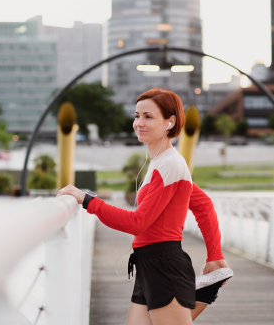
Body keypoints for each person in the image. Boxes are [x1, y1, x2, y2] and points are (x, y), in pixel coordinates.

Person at [57, 87, 231, 324]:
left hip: (164, 267)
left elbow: (138, 223)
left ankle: (205, 290)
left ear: (170, 122)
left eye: (148, 116)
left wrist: (87, 200)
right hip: (149, 265)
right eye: (137, 116)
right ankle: (206, 289)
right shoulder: (161, 163)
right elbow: (203, 204)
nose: (139, 122)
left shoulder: (170, 164)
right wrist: (215, 255)